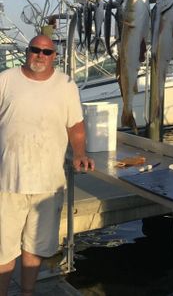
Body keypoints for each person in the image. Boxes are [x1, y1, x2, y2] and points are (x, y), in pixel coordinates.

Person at [0, 35, 95, 296]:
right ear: (27, 51)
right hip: (7, 182)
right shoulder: (6, 79)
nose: (40, 55)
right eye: (35, 50)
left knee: (36, 245)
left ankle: (27, 292)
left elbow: (75, 124)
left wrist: (79, 153)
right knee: (2, 249)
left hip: (48, 182)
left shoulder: (66, 85)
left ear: (55, 56)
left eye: (46, 51)